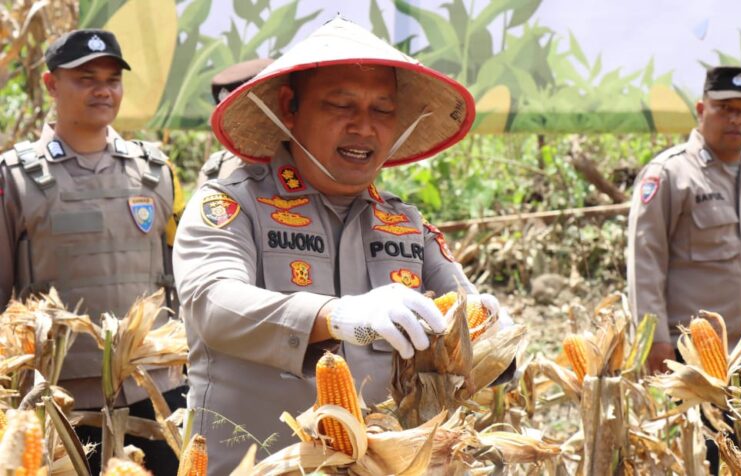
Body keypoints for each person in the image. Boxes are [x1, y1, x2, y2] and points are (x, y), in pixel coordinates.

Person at [174, 17, 507, 474]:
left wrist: (491, 334)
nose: (364, 127)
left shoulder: (406, 224)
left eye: (382, 110)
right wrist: (336, 316)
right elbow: (211, 304)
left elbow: (466, 319)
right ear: (290, 108)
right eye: (340, 105)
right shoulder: (232, 206)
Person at [0, 29, 186, 474]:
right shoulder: (17, 179)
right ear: (51, 85)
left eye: (112, 79)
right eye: (86, 78)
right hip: (59, 398)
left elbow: (176, 280)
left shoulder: (155, 172)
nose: (103, 89)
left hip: (154, 395)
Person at [628, 66, 741, 473]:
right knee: (698, 460)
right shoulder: (670, 175)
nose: (735, 118)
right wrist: (654, 341)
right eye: (725, 108)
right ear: (702, 109)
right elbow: (645, 260)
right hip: (693, 362)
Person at [196, 58, 273, 187]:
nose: (236, 131)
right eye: (230, 123)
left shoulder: (309, 168)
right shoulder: (214, 172)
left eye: (250, 117)